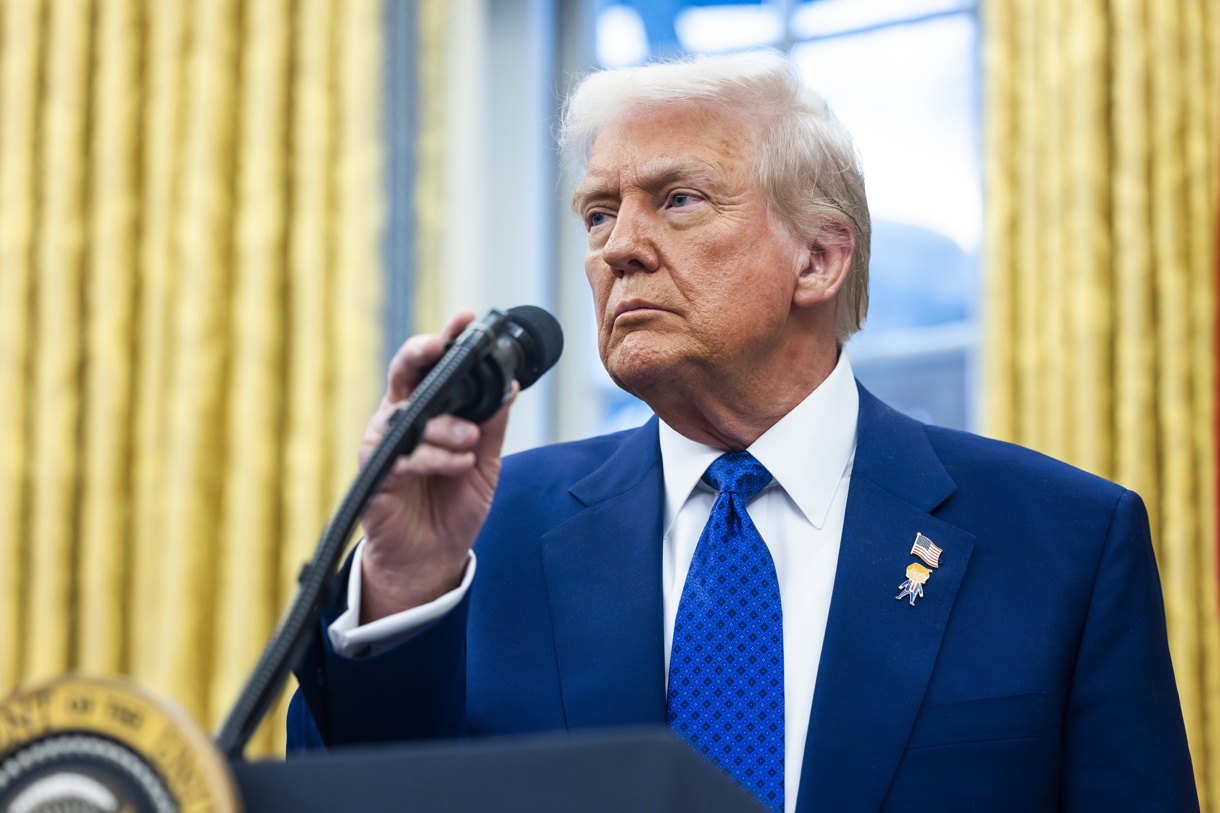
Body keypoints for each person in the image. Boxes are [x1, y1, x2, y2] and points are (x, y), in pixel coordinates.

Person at [289, 52, 1198, 812]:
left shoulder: (1063, 543)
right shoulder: (488, 534)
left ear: (818, 256)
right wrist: (405, 579)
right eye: (599, 213)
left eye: (677, 199)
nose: (617, 248)